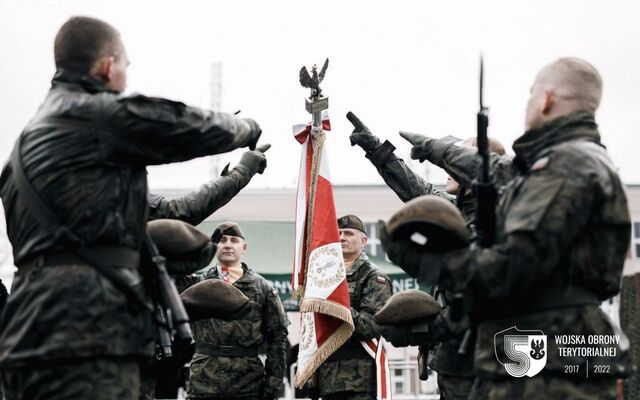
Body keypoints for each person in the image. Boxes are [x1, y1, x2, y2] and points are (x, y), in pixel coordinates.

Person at [0, 16, 263, 400]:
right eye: (125, 66)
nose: (124, 77)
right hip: (91, 328)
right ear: (107, 66)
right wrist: (248, 131)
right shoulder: (96, 114)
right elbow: (186, 128)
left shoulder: (22, 149)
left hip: (25, 330)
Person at [381, 57, 631, 399]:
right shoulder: (571, 160)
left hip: (552, 351)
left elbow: (514, 267)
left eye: (530, 96)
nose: (527, 105)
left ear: (546, 99)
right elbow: (500, 174)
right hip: (547, 340)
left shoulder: (566, 165)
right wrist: (440, 151)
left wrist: (437, 262)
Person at [347, 112, 509, 400]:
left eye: (458, 157)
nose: (448, 165)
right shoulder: (452, 210)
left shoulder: (500, 219)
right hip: (453, 361)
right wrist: (374, 148)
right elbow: (413, 187)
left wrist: (425, 329)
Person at [177, 222, 288, 400]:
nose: (228, 244)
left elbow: (278, 337)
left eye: (234, 240)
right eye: (222, 240)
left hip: (248, 382)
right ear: (215, 247)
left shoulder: (262, 288)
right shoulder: (197, 284)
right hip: (204, 380)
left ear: (243, 248)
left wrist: (272, 385)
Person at [316, 215, 392, 400]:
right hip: (327, 377)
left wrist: (335, 307)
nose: (341, 238)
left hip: (360, 379)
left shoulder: (374, 277)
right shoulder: (323, 277)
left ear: (363, 241)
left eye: (348, 233)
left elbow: (372, 325)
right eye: (338, 233)